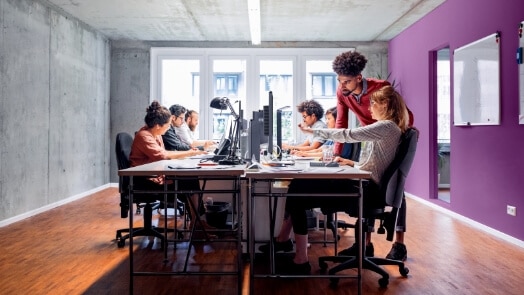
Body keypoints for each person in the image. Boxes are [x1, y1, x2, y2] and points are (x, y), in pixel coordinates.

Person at [259, 85, 410, 274]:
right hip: (367, 186)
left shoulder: (386, 126)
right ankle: (286, 244)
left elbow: (348, 135)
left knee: (297, 190)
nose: (369, 108)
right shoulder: (390, 129)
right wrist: (348, 162)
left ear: (385, 104)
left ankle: (299, 257)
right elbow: (373, 166)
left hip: (365, 190)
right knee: (299, 187)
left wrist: (314, 132)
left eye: (373, 103)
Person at [332, 50, 414, 261]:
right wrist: (335, 154)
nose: (342, 86)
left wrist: (395, 143)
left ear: (359, 78)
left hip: (393, 136)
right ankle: (364, 246)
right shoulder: (343, 92)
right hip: (368, 137)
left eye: (347, 81)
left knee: (395, 186)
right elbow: (341, 123)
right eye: (340, 80)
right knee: (366, 187)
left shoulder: (381, 88)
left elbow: (403, 115)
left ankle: (400, 245)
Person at [129, 101, 211, 232]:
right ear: (157, 125)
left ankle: (197, 223)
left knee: (191, 180)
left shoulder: (155, 134)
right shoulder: (144, 137)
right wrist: (190, 152)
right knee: (189, 181)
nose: (168, 128)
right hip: (145, 181)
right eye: (167, 125)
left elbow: (166, 153)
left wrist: (189, 153)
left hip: (154, 175)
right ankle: (197, 226)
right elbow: (163, 156)